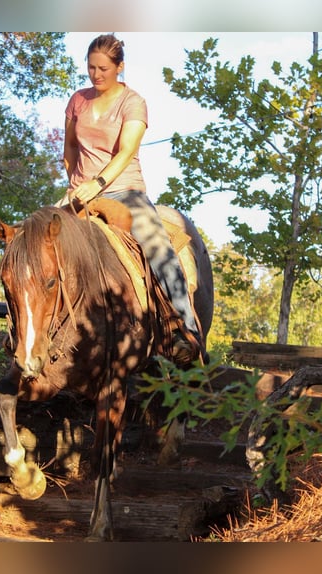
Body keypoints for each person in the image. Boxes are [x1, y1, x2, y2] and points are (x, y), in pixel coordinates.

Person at [59, 33, 204, 366]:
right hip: (80, 193)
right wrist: (73, 181)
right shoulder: (77, 100)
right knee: (34, 240)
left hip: (124, 190)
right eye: (91, 67)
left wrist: (96, 183)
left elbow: (126, 152)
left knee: (158, 247)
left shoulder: (133, 102)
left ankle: (186, 329)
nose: (95, 74)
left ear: (119, 67)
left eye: (104, 69)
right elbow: (69, 147)